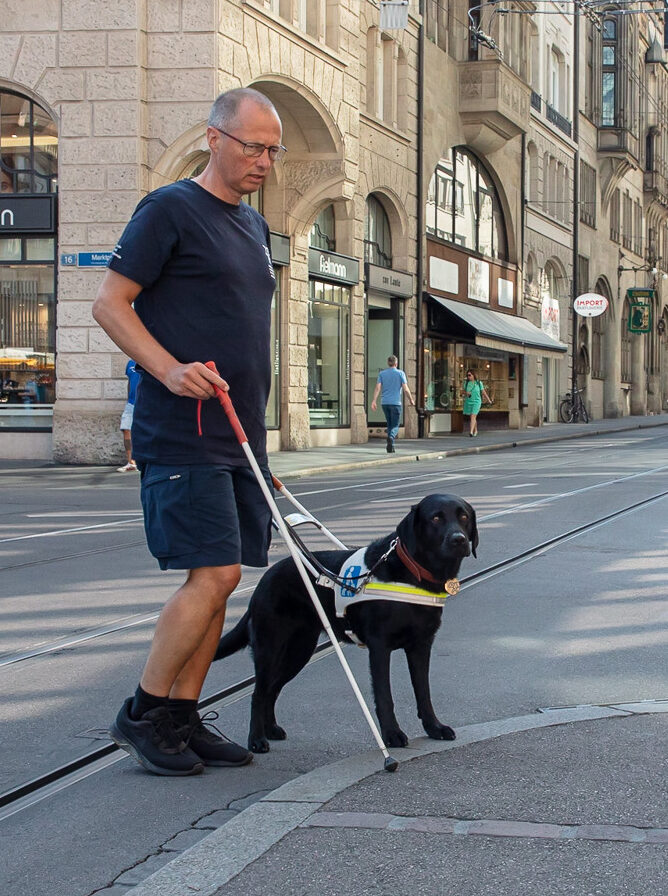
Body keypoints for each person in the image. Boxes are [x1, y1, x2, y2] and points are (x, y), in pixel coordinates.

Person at [92, 87, 285, 776]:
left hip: (238, 437)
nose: (263, 159)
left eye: (272, 149)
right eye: (252, 145)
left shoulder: (255, 228)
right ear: (214, 137)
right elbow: (110, 303)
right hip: (183, 430)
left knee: (226, 579)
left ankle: (181, 714)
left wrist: (263, 453)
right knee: (217, 572)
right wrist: (169, 371)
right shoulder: (170, 209)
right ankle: (143, 712)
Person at [371, 355, 415, 453]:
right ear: (396, 363)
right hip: (396, 403)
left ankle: (391, 446)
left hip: (385, 403)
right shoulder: (400, 373)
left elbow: (378, 388)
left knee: (389, 423)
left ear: (388, 363)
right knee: (395, 424)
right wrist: (411, 399)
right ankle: (390, 437)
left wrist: (374, 400)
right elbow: (405, 389)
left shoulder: (382, 374)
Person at [117, 358, 141, 472]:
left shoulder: (148, 359)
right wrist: (128, 399)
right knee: (126, 428)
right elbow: (130, 382)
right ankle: (131, 462)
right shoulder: (130, 363)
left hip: (145, 402)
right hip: (131, 403)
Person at [461, 369, 492, 437]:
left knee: (473, 415)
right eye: (467, 375)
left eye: (469, 375)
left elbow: (483, 392)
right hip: (468, 401)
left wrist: (489, 400)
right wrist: (466, 393)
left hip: (477, 401)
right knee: (472, 417)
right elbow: (462, 392)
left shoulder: (478, 383)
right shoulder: (466, 383)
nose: (468, 377)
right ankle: (476, 430)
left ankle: (471, 432)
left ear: (473, 375)